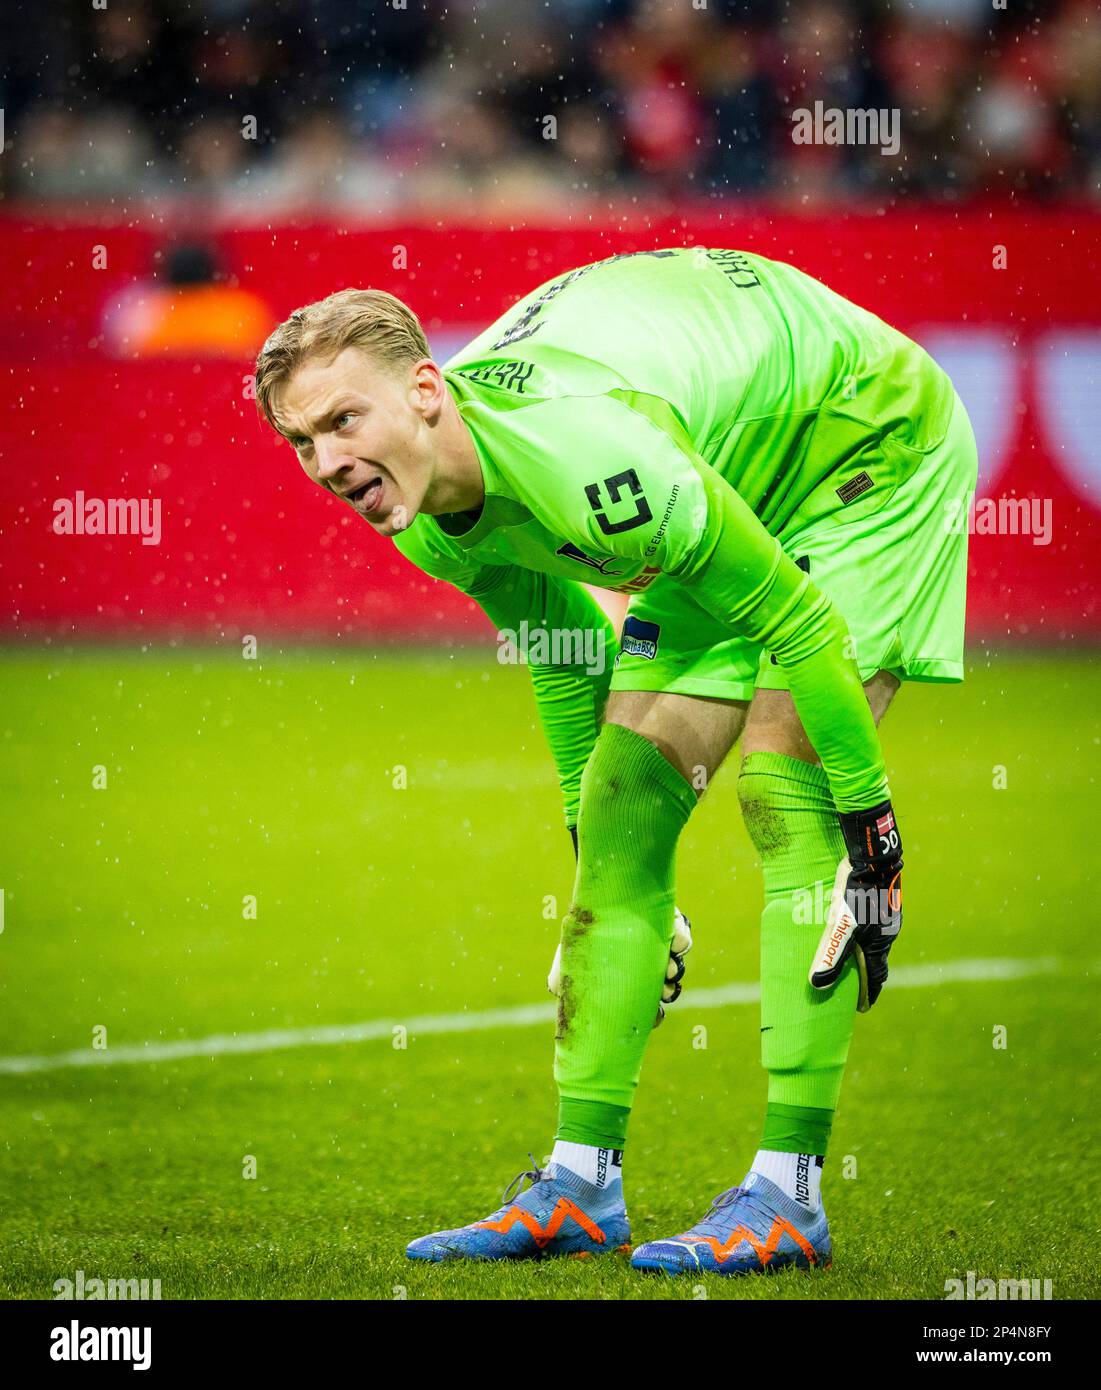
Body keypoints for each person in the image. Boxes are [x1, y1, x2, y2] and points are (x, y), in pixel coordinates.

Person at [253, 247, 977, 1275]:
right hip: (719, 462)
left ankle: (789, 1195)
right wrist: (589, 856)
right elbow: (561, 661)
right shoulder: (425, 510)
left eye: (340, 421)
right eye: (300, 440)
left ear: (423, 391)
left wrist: (874, 835)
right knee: (626, 800)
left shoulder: (593, 465)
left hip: (861, 438)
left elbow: (799, 620)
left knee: (785, 787)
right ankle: (581, 1183)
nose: (326, 463)